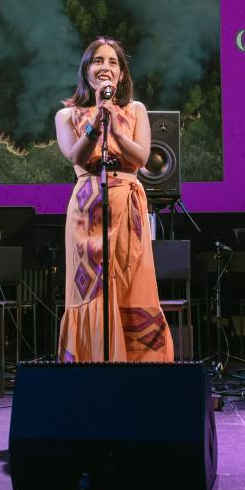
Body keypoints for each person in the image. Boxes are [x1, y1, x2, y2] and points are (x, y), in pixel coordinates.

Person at [54, 37, 174, 362]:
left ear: (121, 74)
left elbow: (141, 158)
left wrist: (117, 128)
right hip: (87, 207)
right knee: (90, 287)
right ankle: (91, 363)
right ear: (87, 70)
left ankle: (140, 369)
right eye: (98, 61)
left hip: (128, 203)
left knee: (134, 282)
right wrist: (96, 120)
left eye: (113, 62)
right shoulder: (66, 115)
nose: (105, 67)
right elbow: (77, 157)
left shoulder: (136, 110)